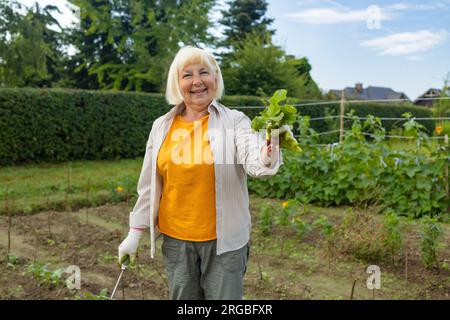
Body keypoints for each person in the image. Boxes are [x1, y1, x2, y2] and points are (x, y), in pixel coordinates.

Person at [118, 46, 284, 300]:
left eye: (204, 72)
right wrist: (135, 232)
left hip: (224, 243)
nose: (196, 81)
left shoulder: (235, 121)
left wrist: (268, 150)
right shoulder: (161, 126)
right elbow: (150, 186)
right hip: (176, 242)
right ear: (177, 84)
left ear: (215, 78)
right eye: (187, 75)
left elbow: (255, 162)